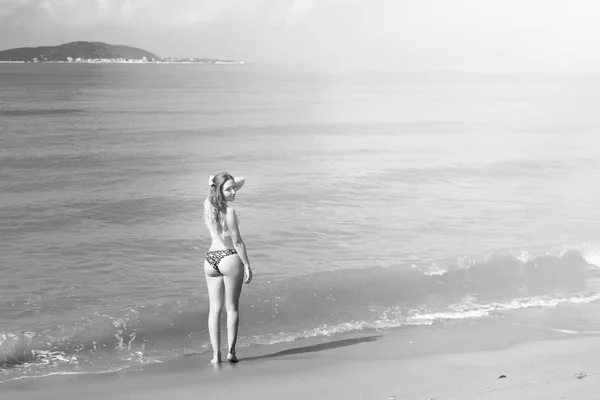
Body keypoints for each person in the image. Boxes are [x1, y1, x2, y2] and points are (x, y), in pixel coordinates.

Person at [203, 172, 253, 364]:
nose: (234, 191)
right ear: (219, 191)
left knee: (214, 310)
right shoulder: (229, 212)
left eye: (234, 187)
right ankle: (231, 353)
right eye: (229, 189)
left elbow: (235, 183)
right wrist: (247, 265)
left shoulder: (208, 205)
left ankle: (216, 356)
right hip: (228, 257)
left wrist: (218, 183)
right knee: (232, 308)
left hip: (210, 260)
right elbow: (237, 242)